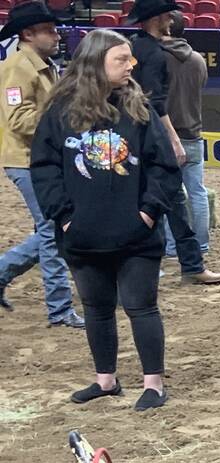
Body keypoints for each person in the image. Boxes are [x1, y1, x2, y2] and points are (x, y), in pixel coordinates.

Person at [31, 29, 181, 410]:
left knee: (140, 306)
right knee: (96, 307)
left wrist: (148, 213)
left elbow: (164, 168)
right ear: (96, 63)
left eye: (131, 59)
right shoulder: (59, 111)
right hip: (82, 234)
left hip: (136, 235)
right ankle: (105, 379)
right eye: (122, 59)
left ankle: (153, 384)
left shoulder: (139, 108)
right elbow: (44, 169)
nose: (131, 65)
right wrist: (65, 217)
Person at [128, 0, 220, 285]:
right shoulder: (158, 54)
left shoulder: (138, 48)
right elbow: (154, 102)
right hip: (155, 137)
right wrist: (172, 139)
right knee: (174, 199)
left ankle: (185, 263)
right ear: (156, 18)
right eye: (166, 15)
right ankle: (189, 264)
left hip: (143, 135)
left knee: (168, 199)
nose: (170, 19)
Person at [0, 1, 82, 325]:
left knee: (50, 229)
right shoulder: (19, 67)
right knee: (52, 230)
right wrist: (63, 123)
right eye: (49, 30)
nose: (56, 35)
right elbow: (18, 119)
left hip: (39, 159)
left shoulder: (42, 65)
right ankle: (60, 309)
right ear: (28, 33)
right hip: (25, 160)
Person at [161, 11, 210, 259]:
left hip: (167, 135)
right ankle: (201, 244)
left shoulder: (158, 59)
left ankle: (172, 246)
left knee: (170, 194)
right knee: (197, 193)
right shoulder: (198, 61)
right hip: (193, 132)